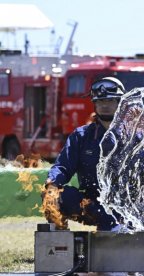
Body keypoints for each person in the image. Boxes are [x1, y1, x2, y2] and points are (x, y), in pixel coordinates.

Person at [42, 77, 126, 231]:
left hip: (128, 207)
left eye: (110, 101)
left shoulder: (136, 137)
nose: (105, 105)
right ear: (94, 104)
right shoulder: (81, 136)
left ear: (120, 103)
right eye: (100, 102)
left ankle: (118, 230)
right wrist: (52, 185)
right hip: (93, 206)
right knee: (55, 196)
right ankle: (60, 241)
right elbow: (62, 167)